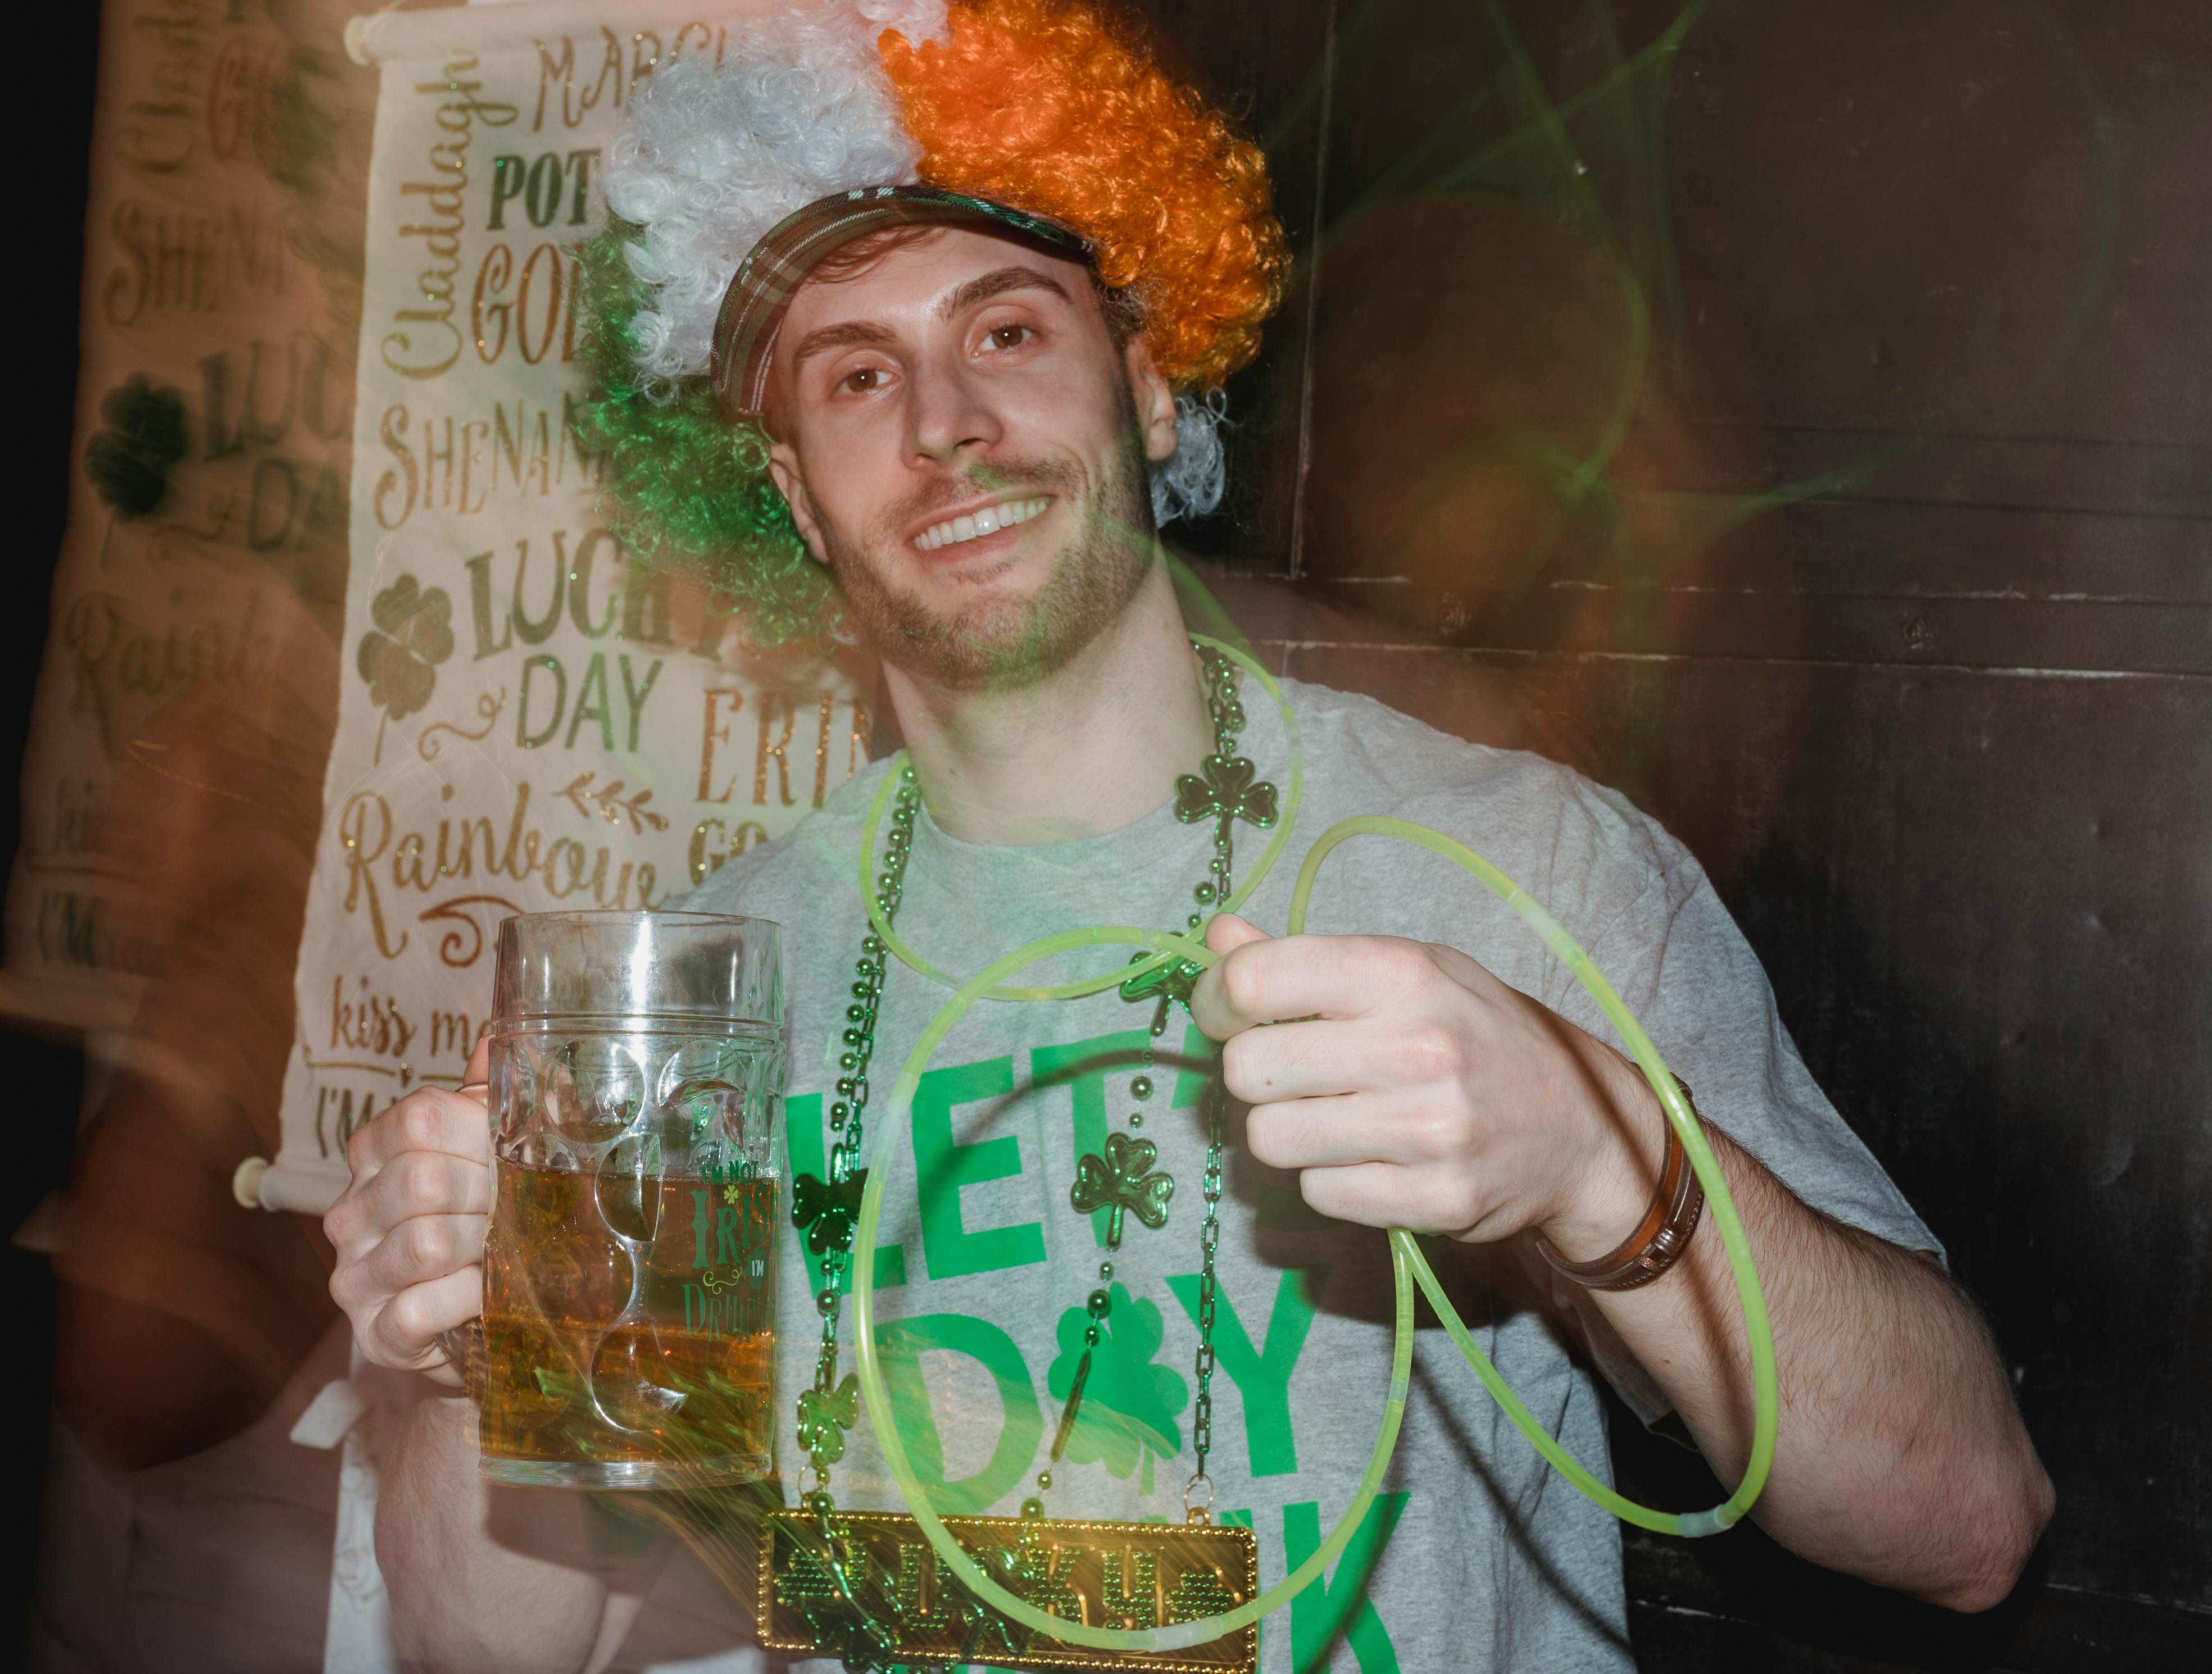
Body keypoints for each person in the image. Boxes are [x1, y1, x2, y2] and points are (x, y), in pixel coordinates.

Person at [323, 2, 2053, 1668]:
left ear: (1151, 392)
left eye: (1009, 330)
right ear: (791, 496)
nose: (944, 426)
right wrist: (463, 1348)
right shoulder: (685, 1011)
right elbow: (505, 1643)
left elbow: (1968, 1521)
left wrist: (1600, 1159)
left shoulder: (1516, 868)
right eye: (857, 376)